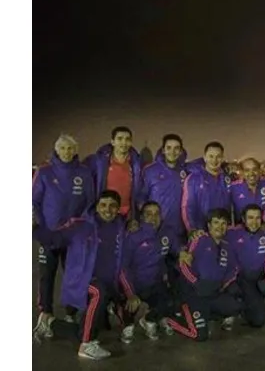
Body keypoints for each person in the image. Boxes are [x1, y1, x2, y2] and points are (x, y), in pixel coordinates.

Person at [32, 190, 128, 360]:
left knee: (85, 328)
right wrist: (35, 227)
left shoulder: (121, 226)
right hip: (84, 280)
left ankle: (50, 322)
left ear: (118, 209)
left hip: (108, 282)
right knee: (99, 293)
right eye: (103, 205)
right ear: (96, 207)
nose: (108, 209)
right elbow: (54, 239)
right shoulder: (80, 225)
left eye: (113, 206)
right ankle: (86, 345)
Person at [33, 134, 95, 321]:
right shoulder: (44, 172)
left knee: (73, 274)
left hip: (73, 236)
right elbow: (33, 201)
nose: (67, 152)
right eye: (63, 148)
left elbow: (90, 203)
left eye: (70, 148)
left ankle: (71, 312)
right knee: (47, 274)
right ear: (56, 150)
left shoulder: (84, 172)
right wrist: (39, 227)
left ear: (75, 150)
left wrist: (81, 227)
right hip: (49, 233)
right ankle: (46, 312)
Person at [167, 208, 241, 341]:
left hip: (213, 293)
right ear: (209, 225)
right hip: (194, 294)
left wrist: (222, 285)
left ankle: (204, 315)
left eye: (223, 223)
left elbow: (233, 270)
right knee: (199, 335)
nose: (220, 226)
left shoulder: (227, 247)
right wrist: (196, 283)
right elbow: (183, 265)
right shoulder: (199, 240)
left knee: (236, 306)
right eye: (216, 222)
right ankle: (170, 321)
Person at [118, 201, 176, 343]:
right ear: (142, 217)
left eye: (157, 214)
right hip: (133, 285)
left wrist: (183, 253)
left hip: (154, 284)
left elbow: (178, 248)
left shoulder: (166, 233)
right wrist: (130, 293)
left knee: (173, 299)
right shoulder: (132, 236)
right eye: (148, 214)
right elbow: (122, 267)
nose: (153, 217)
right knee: (128, 305)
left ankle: (149, 319)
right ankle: (128, 324)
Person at [224, 204, 265, 327]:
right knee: (233, 289)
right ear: (243, 219)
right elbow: (212, 235)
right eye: (250, 218)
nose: (254, 222)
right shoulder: (231, 233)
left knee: (258, 321)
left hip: (261, 278)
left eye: (258, 218)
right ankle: (231, 311)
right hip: (242, 279)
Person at [85, 126, 144, 219]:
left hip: (127, 214)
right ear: (112, 142)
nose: (124, 142)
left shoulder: (137, 164)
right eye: (120, 139)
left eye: (127, 139)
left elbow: (139, 190)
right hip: (105, 212)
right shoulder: (98, 161)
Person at [140, 134, 188, 240]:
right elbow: (141, 198)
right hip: (155, 229)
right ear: (163, 150)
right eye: (169, 148)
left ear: (180, 151)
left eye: (176, 148)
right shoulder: (150, 171)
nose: (172, 152)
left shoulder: (186, 172)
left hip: (179, 231)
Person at [181, 142, 232, 234]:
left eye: (218, 156)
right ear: (204, 157)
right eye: (211, 156)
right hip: (201, 232)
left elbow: (231, 208)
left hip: (222, 233)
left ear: (222, 158)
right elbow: (187, 206)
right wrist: (192, 229)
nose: (214, 160)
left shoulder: (227, 179)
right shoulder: (193, 179)